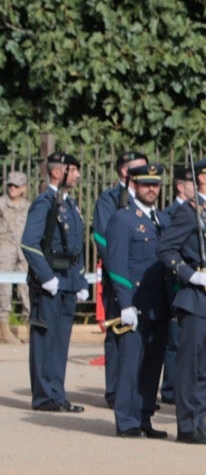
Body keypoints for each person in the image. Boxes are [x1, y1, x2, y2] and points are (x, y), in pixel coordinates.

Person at [158, 154, 206, 442]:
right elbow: (166, 250)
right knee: (190, 366)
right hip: (196, 297)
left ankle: (200, 422)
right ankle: (187, 426)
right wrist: (190, 275)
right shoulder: (190, 211)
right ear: (202, 178)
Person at [101, 163, 171, 438]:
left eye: (155, 184)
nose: (151, 189)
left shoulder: (162, 220)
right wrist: (125, 302)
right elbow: (117, 264)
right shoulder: (123, 218)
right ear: (134, 186)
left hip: (159, 304)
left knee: (152, 366)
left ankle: (144, 417)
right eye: (145, 184)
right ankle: (127, 420)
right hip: (134, 305)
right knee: (131, 365)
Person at [22, 152, 90, 411]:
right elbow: (29, 242)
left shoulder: (69, 204)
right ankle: (44, 396)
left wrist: (80, 279)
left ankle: (57, 394)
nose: (77, 175)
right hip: (49, 281)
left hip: (68, 280)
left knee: (61, 341)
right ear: (57, 172)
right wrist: (46, 276)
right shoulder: (44, 202)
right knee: (45, 340)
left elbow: (76, 246)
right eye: (72, 170)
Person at [91, 150, 146, 402]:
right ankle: (115, 390)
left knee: (139, 334)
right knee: (118, 332)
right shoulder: (110, 199)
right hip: (119, 275)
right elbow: (102, 238)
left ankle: (135, 389)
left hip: (142, 277)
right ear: (124, 171)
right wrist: (118, 268)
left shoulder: (144, 199)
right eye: (138, 168)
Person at [0, 171, 30, 344]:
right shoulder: (1, 204)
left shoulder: (29, 206)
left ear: (23, 188)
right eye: (10, 185)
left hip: (23, 250)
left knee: (27, 287)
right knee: (4, 290)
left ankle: (30, 325)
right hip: (5, 250)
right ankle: (4, 327)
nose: (12, 188)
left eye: (16, 186)